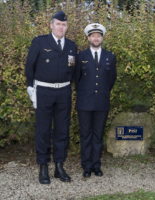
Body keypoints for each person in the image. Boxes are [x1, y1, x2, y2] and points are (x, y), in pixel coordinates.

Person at [25, 11, 77, 184]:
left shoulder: (71, 45)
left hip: (63, 91)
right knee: (43, 130)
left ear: (66, 27)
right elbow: (29, 65)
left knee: (62, 130)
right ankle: (43, 167)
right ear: (51, 25)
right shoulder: (40, 42)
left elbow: (74, 71)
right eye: (58, 24)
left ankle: (59, 166)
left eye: (64, 25)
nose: (61, 27)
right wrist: (31, 87)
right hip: (44, 91)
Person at [75, 23, 116, 178]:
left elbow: (111, 79)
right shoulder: (81, 56)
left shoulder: (110, 56)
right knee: (85, 135)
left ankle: (96, 165)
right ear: (88, 38)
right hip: (84, 102)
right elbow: (76, 79)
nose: (96, 38)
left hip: (101, 102)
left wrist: (102, 92)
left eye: (98, 35)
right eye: (93, 35)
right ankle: (86, 166)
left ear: (102, 38)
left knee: (98, 135)